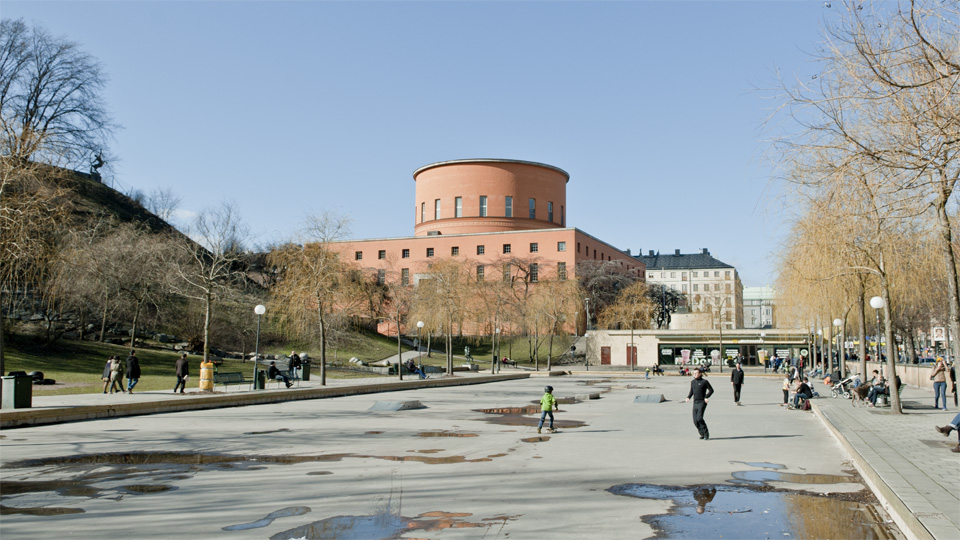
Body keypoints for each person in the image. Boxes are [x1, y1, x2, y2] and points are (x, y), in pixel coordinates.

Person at [684, 367, 714, 440]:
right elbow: (692, 391)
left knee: (699, 418)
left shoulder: (704, 382)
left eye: (696, 373)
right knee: (695, 421)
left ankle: (706, 433)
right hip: (695, 402)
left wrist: (706, 397)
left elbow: (711, 390)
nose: (694, 374)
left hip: (702, 402)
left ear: (700, 374)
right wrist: (688, 397)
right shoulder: (693, 382)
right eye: (694, 373)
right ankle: (702, 433)